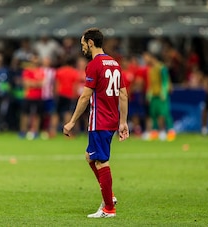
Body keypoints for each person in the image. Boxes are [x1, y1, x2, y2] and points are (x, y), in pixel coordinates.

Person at [63, 28, 129, 218]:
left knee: (101, 161)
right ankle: (110, 196)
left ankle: (109, 208)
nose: (82, 46)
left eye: (83, 43)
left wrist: (72, 121)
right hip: (111, 119)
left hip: (99, 120)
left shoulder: (94, 65)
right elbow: (123, 94)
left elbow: (85, 96)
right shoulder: (114, 63)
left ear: (91, 43)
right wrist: (123, 122)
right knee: (90, 156)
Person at [143, 52, 176, 141]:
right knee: (153, 114)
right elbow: (151, 84)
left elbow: (165, 81)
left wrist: (164, 92)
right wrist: (148, 94)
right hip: (153, 95)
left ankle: (168, 131)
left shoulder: (162, 68)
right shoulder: (150, 69)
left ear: (153, 58)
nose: (146, 60)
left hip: (161, 95)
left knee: (164, 113)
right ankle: (155, 131)